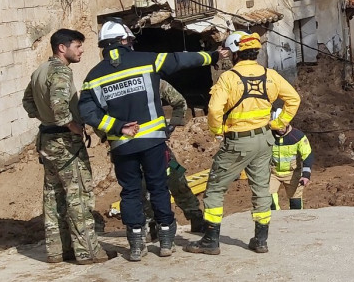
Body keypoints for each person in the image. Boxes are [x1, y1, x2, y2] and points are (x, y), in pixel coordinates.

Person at [78, 19, 225, 261]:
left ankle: (136, 245)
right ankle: (166, 242)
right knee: (158, 187)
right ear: (125, 41)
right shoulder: (147, 60)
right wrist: (212, 56)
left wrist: (116, 126)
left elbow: (87, 112)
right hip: (154, 142)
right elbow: (180, 60)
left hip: (122, 146)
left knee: (130, 193)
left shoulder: (93, 76)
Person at [186, 32, 300, 256]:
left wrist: (217, 130)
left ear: (235, 54)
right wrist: (279, 123)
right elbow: (294, 99)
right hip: (264, 140)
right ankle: (260, 240)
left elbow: (215, 109)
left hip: (238, 142)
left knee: (216, 189)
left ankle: (210, 240)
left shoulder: (228, 78)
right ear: (255, 53)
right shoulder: (271, 75)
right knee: (260, 190)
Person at [23, 29, 111, 265]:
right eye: (78, 46)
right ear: (62, 48)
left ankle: (57, 251)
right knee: (78, 197)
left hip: (47, 141)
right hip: (65, 143)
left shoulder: (40, 71)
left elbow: (27, 102)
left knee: (53, 197)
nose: (81, 50)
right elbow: (60, 106)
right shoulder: (61, 71)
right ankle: (87, 252)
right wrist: (71, 125)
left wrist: (44, 117)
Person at [141, 80, 204, 240]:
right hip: (133, 149)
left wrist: (172, 125)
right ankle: (152, 224)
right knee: (142, 188)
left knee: (176, 177)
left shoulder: (153, 81)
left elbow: (179, 101)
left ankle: (195, 216)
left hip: (159, 147)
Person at [270, 120, 314, 211]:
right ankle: (275, 221)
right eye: (278, 126)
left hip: (292, 173)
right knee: (269, 199)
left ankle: (297, 223)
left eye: (283, 125)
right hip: (273, 173)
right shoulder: (267, 136)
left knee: (295, 203)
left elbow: (307, 154)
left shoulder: (298, 136)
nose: (281, 128)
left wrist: (306, 175)